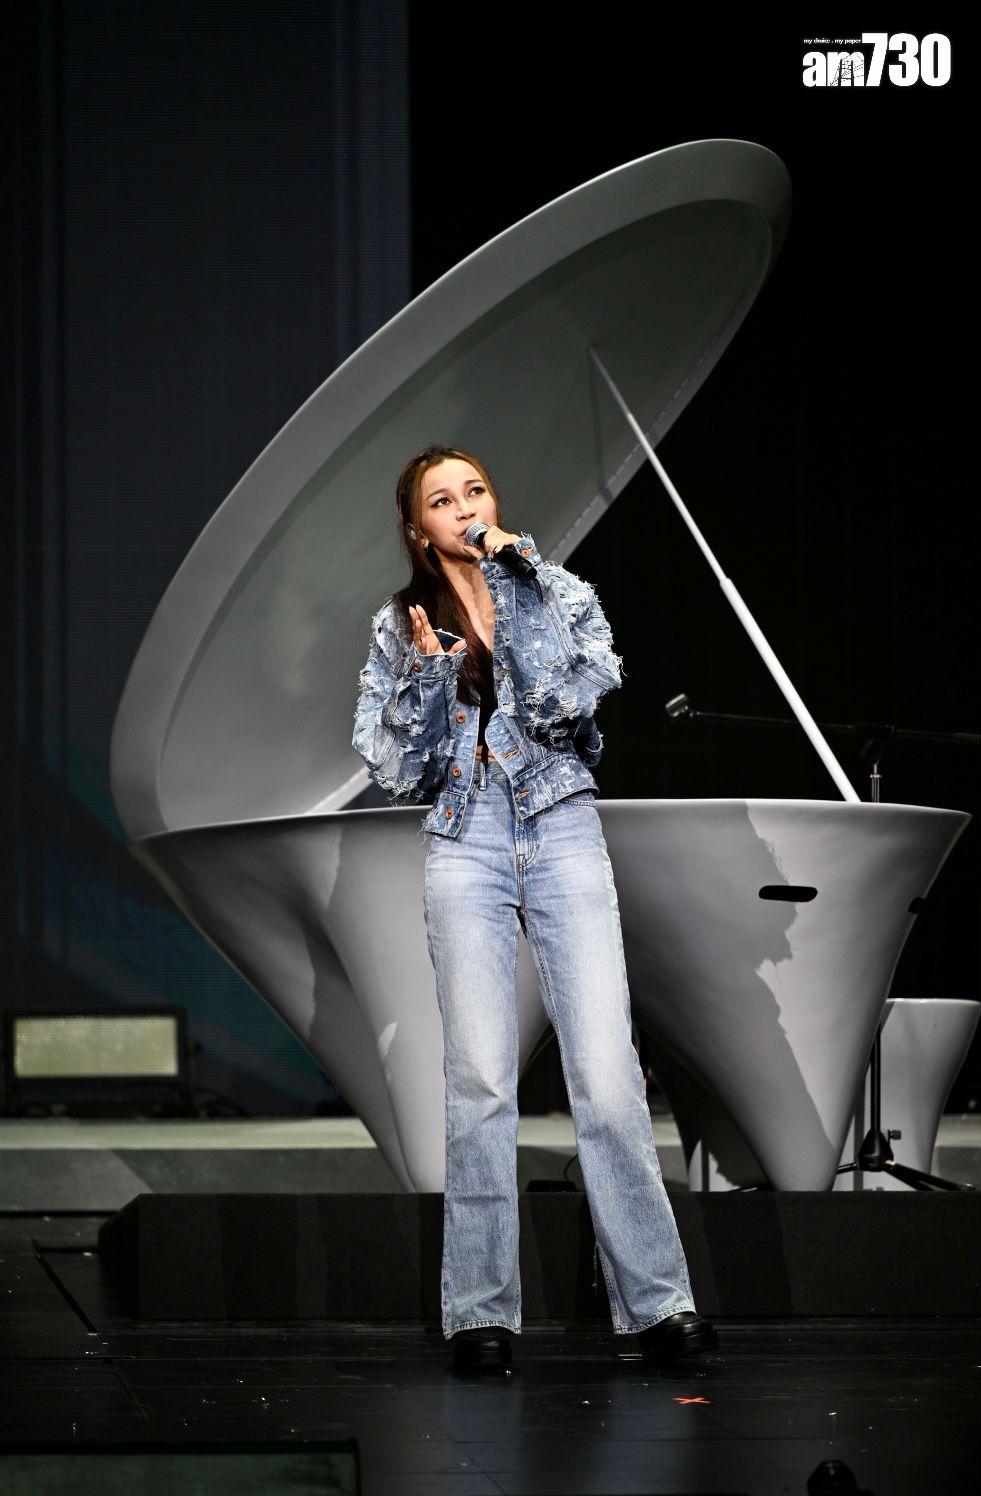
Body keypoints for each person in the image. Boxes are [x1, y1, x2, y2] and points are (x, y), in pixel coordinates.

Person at [352, 443, 717, 1374]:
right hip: (464, 836)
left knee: (606, 1074)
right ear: (417, 529)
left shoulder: (556, 590)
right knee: (480, 1080)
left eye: (474, 490)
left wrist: (518, 582)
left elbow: (573, 700)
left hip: (560, 824)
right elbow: (399, 768)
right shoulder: (398, 626)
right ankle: (479, 1314)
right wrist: (429, 677)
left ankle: (658, 1305)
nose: (464, 507)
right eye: (443, 500)